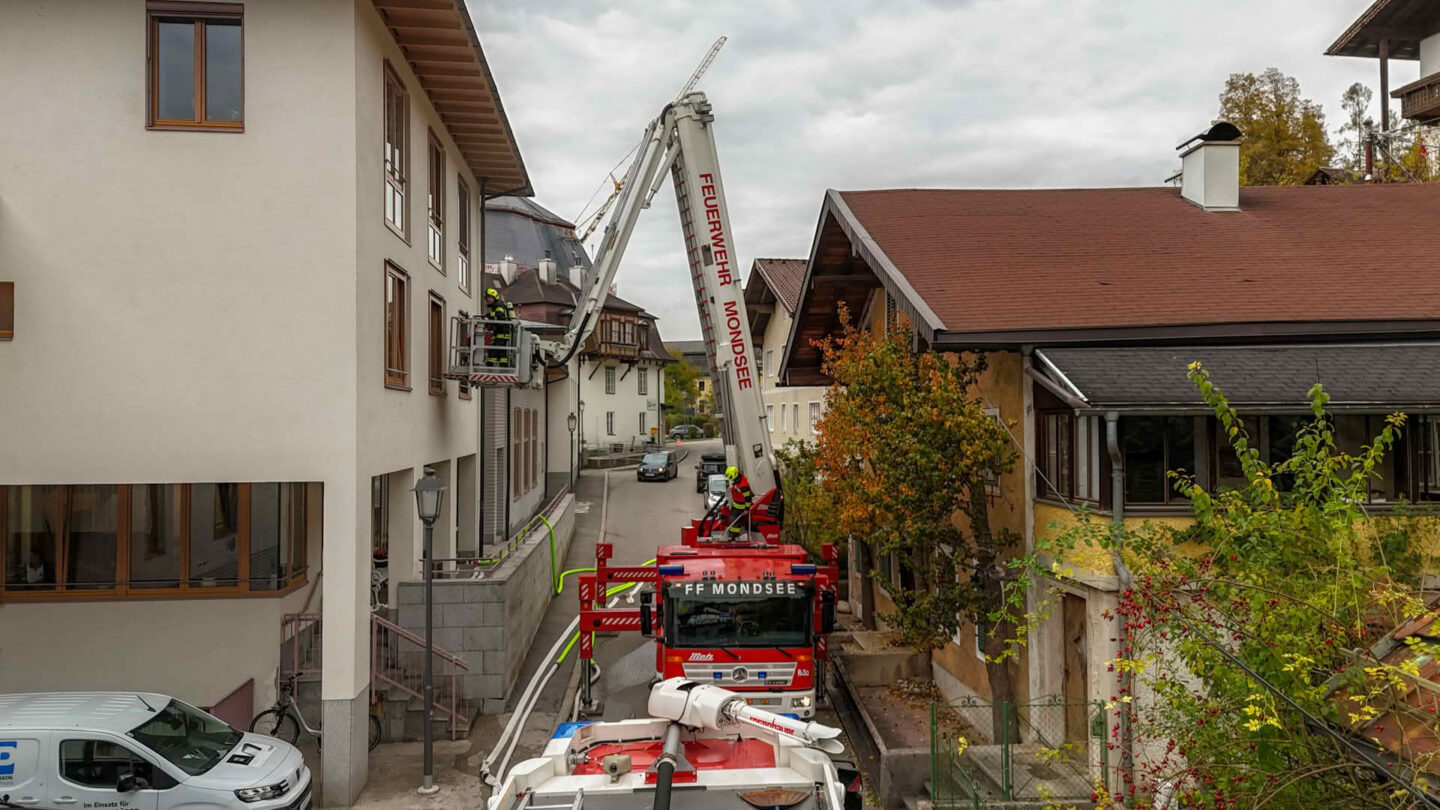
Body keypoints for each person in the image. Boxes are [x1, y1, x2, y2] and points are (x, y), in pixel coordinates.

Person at [484, 287, 516, 369]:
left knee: (494, 350)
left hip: (502, 333)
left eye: (489, 298)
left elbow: (500, 316)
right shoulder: (497, 305)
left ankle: (489, 365)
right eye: (487, 298)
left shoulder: (498, 305)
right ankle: (503, 366)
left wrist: (488, 316)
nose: (488, 300)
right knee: (502, 352)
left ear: (494, 297)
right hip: (502, 332)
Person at [725, 465, 752, 539]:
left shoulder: (743, 486)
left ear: (734, 475)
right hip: (736, 506)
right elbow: (737, 488)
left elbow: (748, 498)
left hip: (740, 508)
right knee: (732, 521)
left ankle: (734, 537)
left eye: (730, 477)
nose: (731, 479)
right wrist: (732, 489)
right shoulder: (739, 479)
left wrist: (747, 509)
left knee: (735, 523)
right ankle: (732, 535)